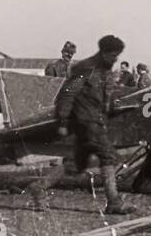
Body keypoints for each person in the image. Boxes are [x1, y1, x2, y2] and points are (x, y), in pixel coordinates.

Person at [56, 34, 134, 215]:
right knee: (108, 157)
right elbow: (67, 95)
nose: (116, 59)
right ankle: (114, 202)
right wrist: (63, 121)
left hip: (96, 120)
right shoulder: (86, 68)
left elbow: (104, 99)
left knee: (77, 165)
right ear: (105, 53)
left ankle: (38, 187)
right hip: (86, 121)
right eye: (114, 55)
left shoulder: (104, 70)